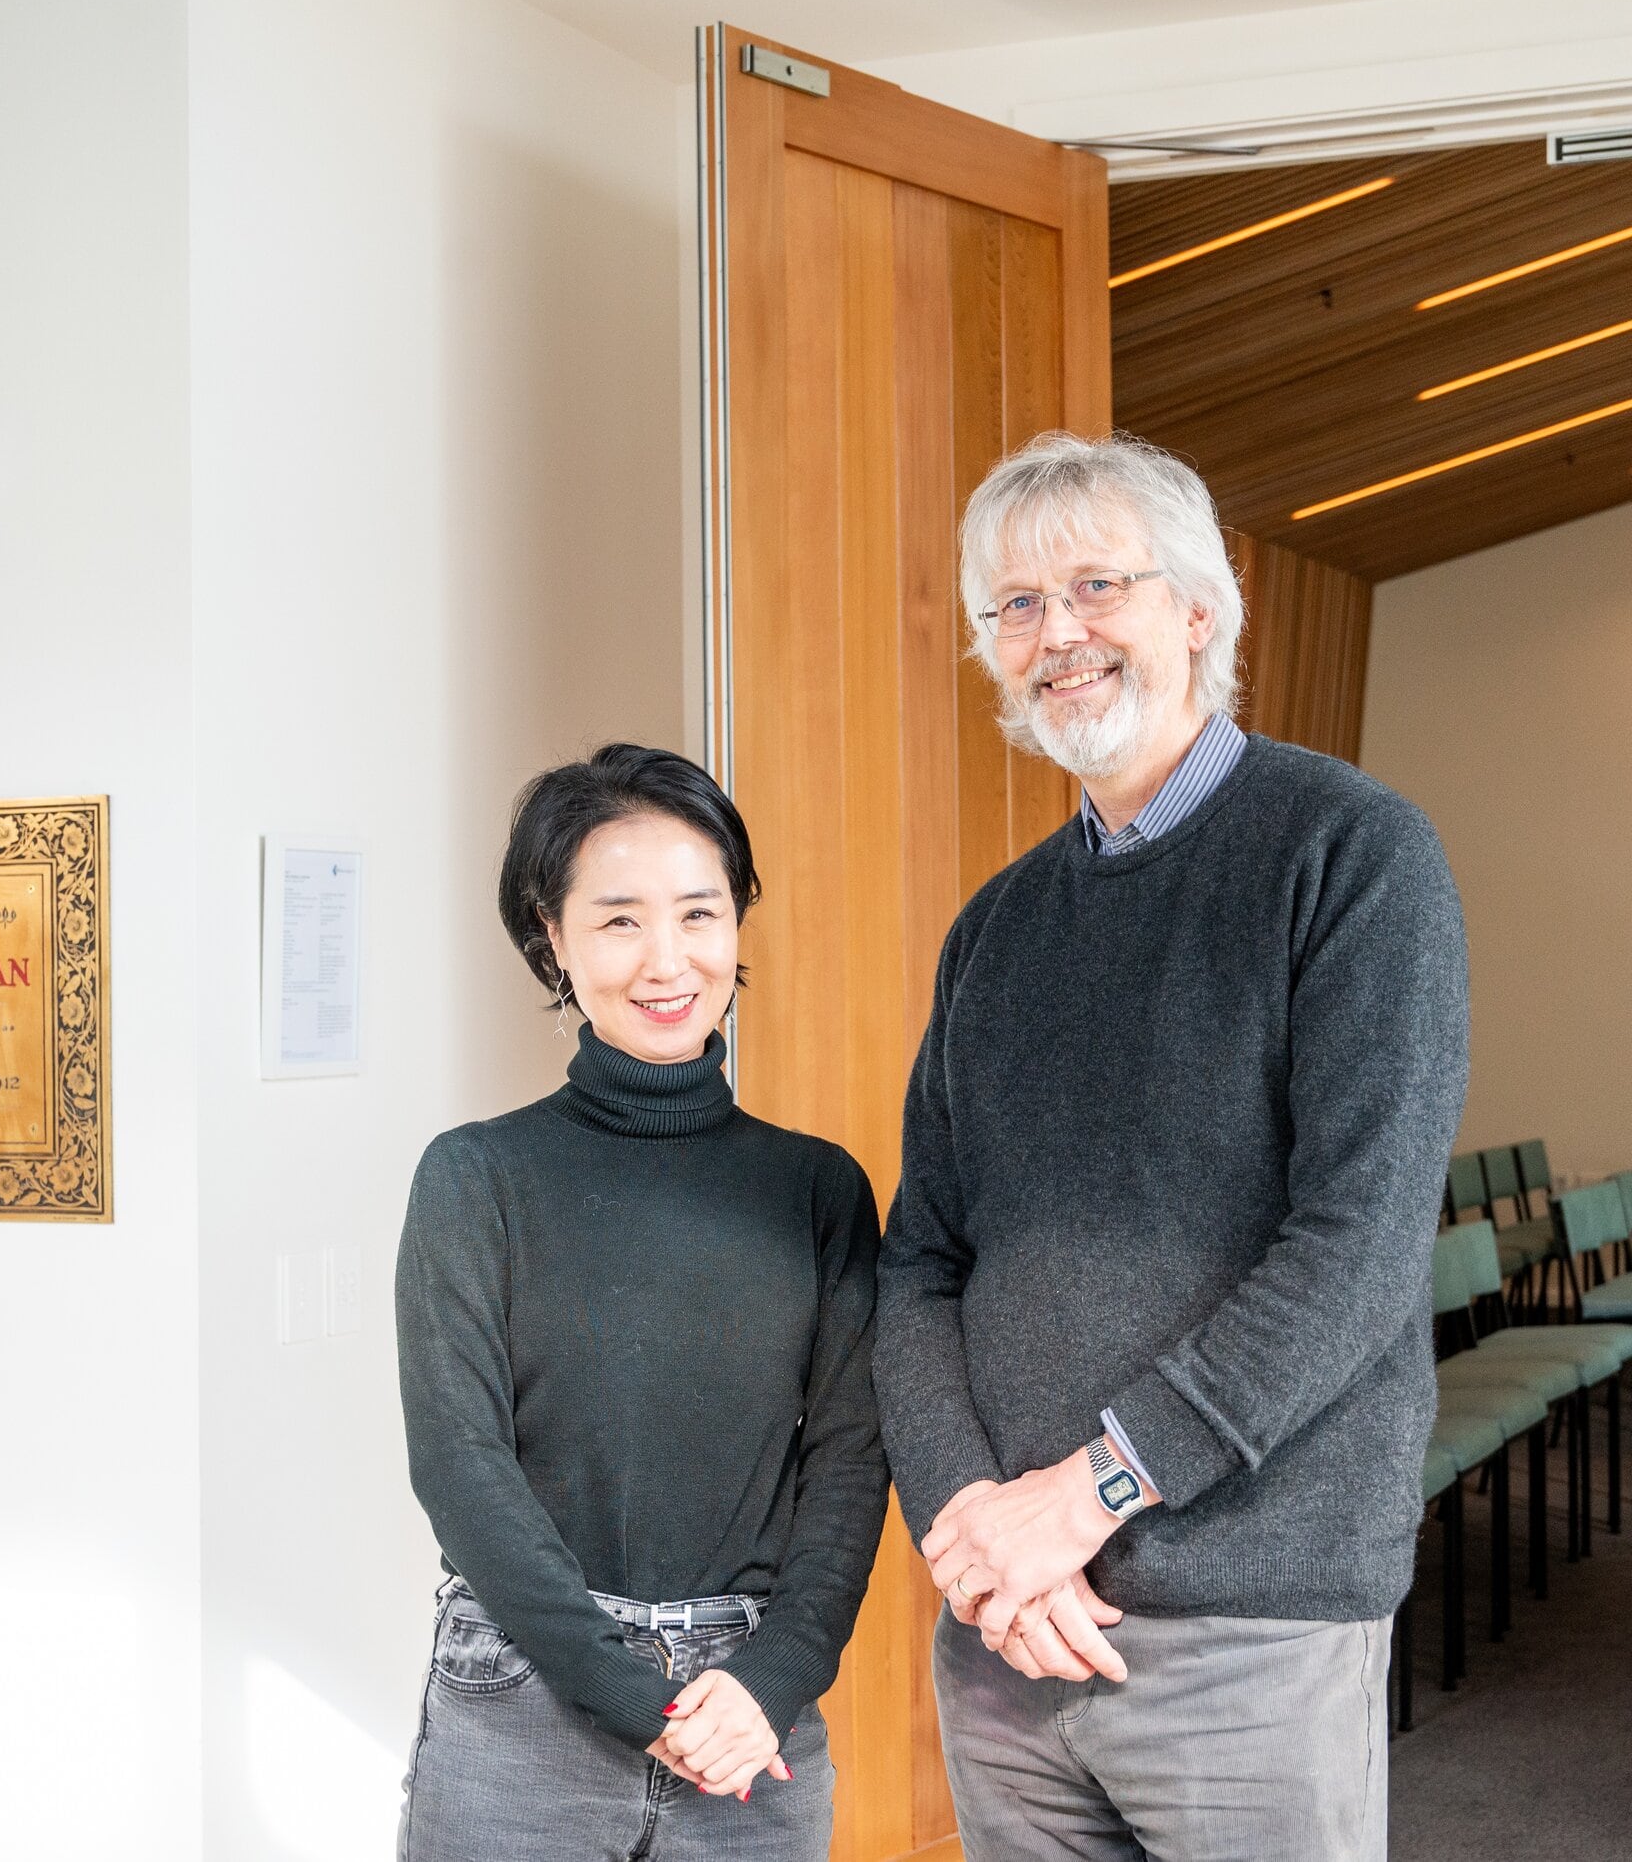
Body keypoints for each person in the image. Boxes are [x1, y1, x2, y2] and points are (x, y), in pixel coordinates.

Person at [874, 431, 1468, 1861]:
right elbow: (918, 1264)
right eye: (1013, 607)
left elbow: (1362, 1245)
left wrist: (1088, 1497)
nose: (1055, 633)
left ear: (1199, 610)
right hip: (1011, 1636)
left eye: (1095, 585)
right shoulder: (996, 931)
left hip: (1253, 1628)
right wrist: (971, 1524)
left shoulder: (1353, 855)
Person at [395, 742, 888, 1862]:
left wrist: (768, 1681)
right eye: (618, 920)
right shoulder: (475, 1177)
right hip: (523, 1697)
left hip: (748, 1708)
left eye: (699, 914)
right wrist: (636, 1699)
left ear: (736, 926)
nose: (665, 959)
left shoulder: (816, 1188)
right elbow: (459, 1463)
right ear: (551, 938)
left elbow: (851, 1464)